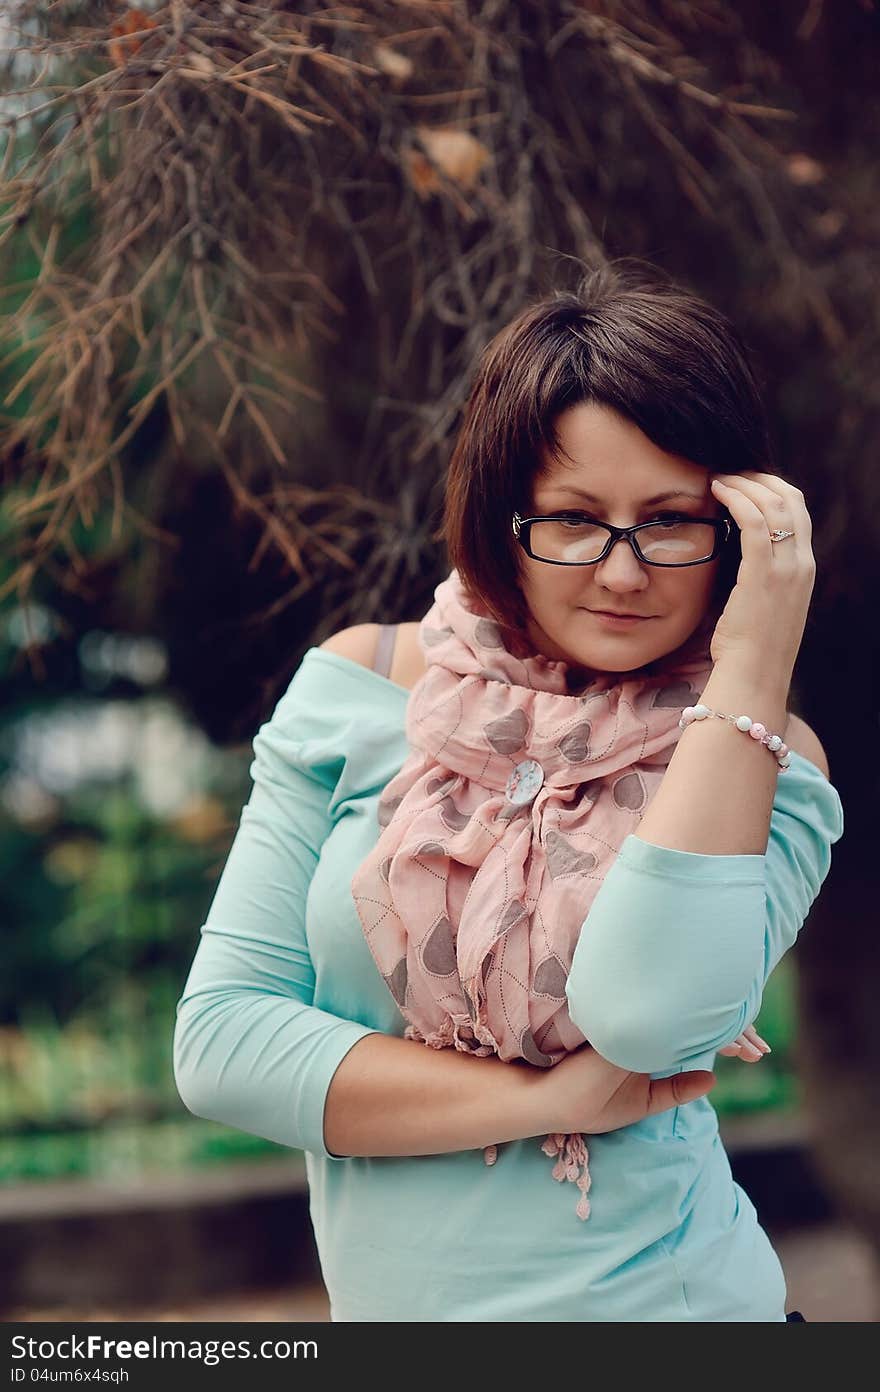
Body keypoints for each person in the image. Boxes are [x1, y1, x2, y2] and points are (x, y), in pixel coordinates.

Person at [173, 262, 844, 1321]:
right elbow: (224, 1048)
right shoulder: (361, 685)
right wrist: (553, 1100)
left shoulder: (761, 755)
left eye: (670, 521)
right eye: (572, 519)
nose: (622, 573)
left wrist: (752, 670)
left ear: (734, 536)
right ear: (502, 518)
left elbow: (647, 1016)